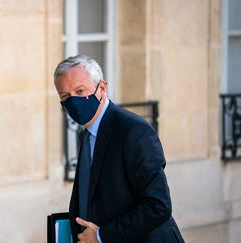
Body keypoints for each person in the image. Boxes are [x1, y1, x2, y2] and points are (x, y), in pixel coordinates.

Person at [54, 55, 184, 243]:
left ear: (102, 88)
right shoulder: (86, 135)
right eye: (65, 96)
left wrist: (101, 236)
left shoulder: (134, 131)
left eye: (80, 91)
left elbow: (158, 205)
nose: (73, 101)